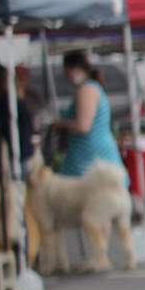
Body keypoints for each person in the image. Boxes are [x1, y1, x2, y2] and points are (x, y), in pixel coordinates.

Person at [57, 52, 128, 188]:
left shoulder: (87, 89)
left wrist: (60, 123)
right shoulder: (91, 87)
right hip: (86, 154)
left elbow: (83, 126)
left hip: (90, 155)